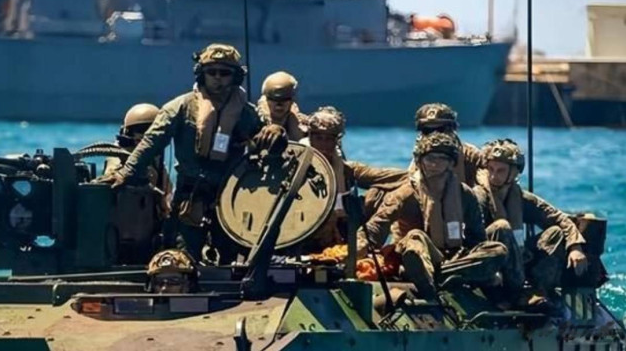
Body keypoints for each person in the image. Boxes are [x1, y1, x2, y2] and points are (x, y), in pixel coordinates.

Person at [97, 43, 284, 263]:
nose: (217, 78)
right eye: (211, 72)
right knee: (182, 258)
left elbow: (270, 144)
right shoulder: (180, 108)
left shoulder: (246, 113)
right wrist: (126, 173)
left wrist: (276, 132)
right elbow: (152, 142)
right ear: (201, 74)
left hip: (230, 200)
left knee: (230, 262)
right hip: (190, 198)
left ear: (235, 77)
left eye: (224, 73)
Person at [357, 131, 507, 299]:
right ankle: (429, 282)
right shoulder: (405, 194)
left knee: (497, 250)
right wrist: (358, 247)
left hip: (454, 258)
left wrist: (474, 259)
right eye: (430, 159)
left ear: (451, 163)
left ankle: (444, 276)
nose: (435, 165)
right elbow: (377, 225)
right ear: (420, 161)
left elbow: (477, 237)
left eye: (441, 159)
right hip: (419, 254)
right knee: (415, 236)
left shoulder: (464, 194)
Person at [474, 138, 587, 306]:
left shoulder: (519, 198)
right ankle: (506, 293)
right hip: (489, 263)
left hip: (518, 261)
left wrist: (575, 247)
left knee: (555, 233)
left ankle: (537, 288)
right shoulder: (479, 196)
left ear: (513, 173)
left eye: (500, 171)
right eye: (490, 169)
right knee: (501, 227)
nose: (493, 176)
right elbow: (472, 236)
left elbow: (558, 217)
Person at [301, 106, 402, 251]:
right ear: (310, 137)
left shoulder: (344, 166)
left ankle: (367, 241)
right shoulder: (298, 162)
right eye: (318, 138)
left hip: (341, 224)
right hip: (306, 227)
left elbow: (393, 176)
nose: (323, 145)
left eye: (329, 139)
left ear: (337, 141)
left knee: (380, 193)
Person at [361, 102, 482, 218]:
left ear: (452, 130)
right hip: (422, 213)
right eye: (428, 131)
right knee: (376, 193)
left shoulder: (471, 155)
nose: (434, 136)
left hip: (463, 213)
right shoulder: (420, 156)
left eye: (440, 130)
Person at [256, 71, 307, 141]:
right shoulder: (253, 124)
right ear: (266, 100)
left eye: (284, 99)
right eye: (274, 99)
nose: (279, 105)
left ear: (291, 101)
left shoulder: (303, 125)